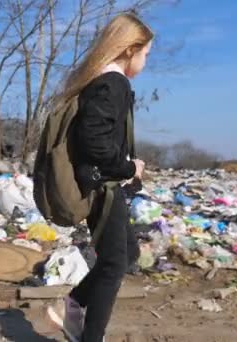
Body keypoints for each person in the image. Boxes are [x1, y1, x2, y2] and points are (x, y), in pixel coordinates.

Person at [46, 12, 154, 342]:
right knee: (113, 265)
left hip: (103, 184)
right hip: (104, 188)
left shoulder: (100, 82)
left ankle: (74, 304)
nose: (145, 62)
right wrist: (128, 168)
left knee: (127, 254)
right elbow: (94, 141)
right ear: (129, 49)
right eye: (146, 54)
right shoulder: (113, 83)